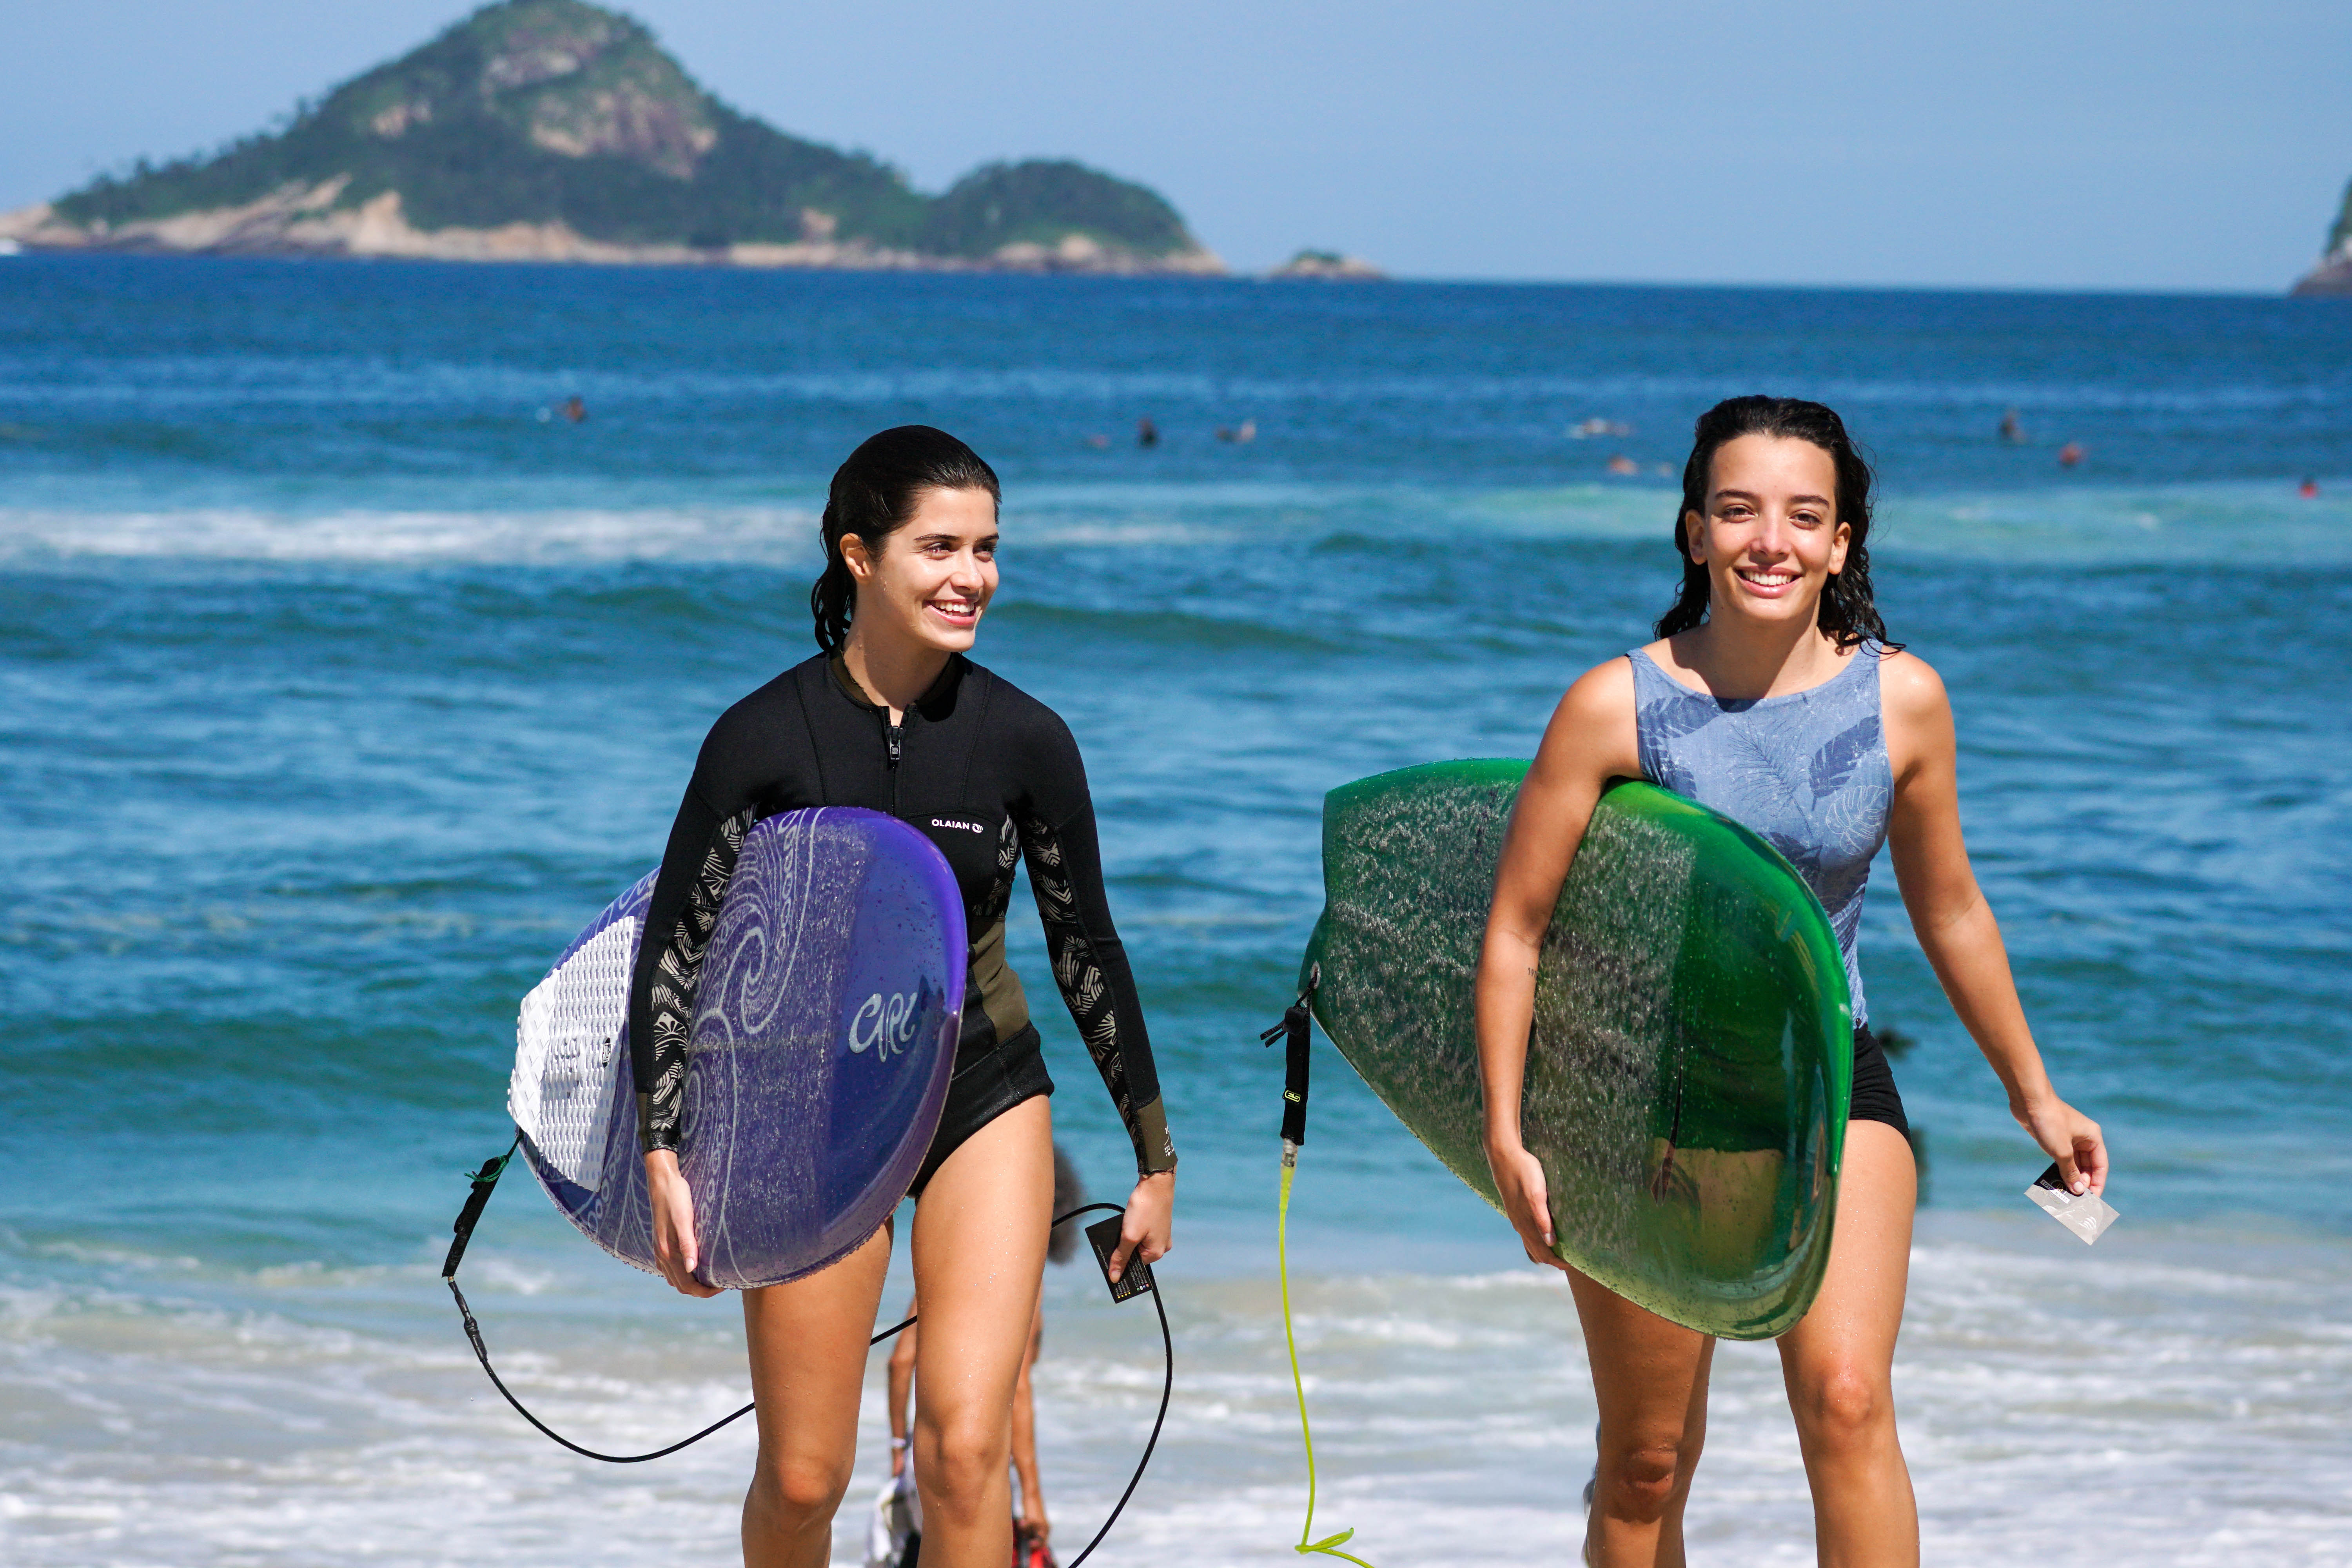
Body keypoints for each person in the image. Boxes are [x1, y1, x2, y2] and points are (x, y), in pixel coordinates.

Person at [1474, 396, 2107, 1568]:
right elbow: (1514, 932)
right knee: (1646, 1455)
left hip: (1828, 1078)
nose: (1770, 539)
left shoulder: (1899, 700)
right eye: (1738, 510)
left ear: (1839, 544)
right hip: (1644, 1100)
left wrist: (2034, 1092)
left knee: (1849, 1398)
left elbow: (1950, 904)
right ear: (1693, 531)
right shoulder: (1615, 706)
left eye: (1801, 516)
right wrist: (1507, 1132)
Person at [627, 426, 1178, 1568]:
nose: (970, 575)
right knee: (801, 1476)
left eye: (986, 548)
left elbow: (1087, 945)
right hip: (809, 1109)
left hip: (980, 1089)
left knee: (964, 1449)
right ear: (858, 556)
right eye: (939, 546)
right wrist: (663, 1150)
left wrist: (1152, 1157)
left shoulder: (1024, 739)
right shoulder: (761, 738)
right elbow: (675, 946)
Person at [884, 1146, 1087, 1568]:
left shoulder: (942, 1268)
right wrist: (1032, 1494)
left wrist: (899, 1445)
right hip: (977, 1461)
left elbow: (900, 1362)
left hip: (926, 1451)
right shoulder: (1017, 1276)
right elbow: (1019, 1389)